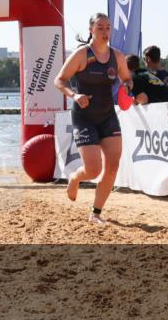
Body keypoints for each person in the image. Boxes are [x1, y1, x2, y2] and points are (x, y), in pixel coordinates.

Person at [54, 12, 131, 225]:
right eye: (100, 28)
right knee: (93, 170)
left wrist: (128, 88)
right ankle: (75, 178)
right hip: (84, 117)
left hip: (108, 116)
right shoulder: (82, 55)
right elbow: (59, 80)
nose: (105, 32)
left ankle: (96, 213)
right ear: (91, 30)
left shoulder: (118, 57)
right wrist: (74, 95)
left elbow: (126, 79)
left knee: (113, 166)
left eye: (108, 28)